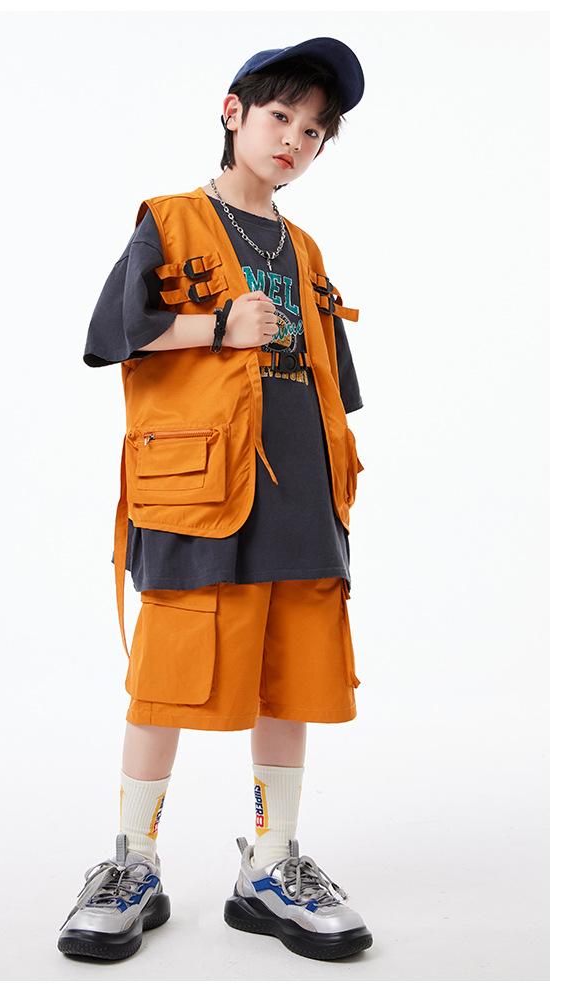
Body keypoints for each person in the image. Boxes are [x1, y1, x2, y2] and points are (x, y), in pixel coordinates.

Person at [58, 36, 370, 964]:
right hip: (196, 489)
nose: (294, 140)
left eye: (314, 131)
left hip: (302, 491)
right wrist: (217, 325)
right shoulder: (170, 219)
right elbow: (112, 332)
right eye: (281, 117)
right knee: (169, 674)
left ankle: (272, 863)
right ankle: (132, 862)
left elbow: (332, 379)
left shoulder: (304, 248)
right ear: (233, 113)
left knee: (292, 675)